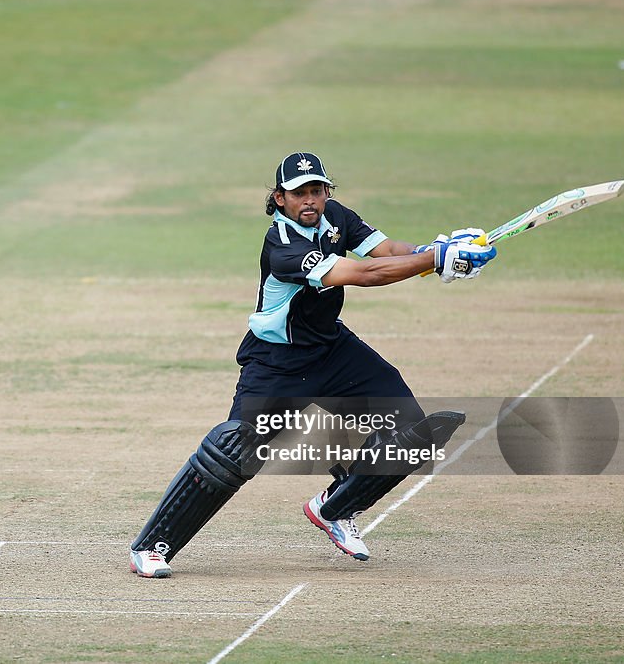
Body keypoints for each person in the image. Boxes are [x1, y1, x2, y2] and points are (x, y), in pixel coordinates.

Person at [130, 152, 497, 578]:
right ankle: (153, 547)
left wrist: (440, 250)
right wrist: (433, 261)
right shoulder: (283, 246)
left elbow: (387, 250)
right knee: (234, 453)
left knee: (410, 433)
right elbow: (365, 274)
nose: (310, 200)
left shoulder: (335, 216)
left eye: (317, 191)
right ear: (279, 198)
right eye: (298, 193)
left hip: (332, 350)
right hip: (277, 363)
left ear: (327, 192)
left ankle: (336, 508)